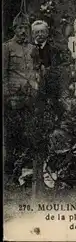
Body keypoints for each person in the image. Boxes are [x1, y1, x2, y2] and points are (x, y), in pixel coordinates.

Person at [3, 13, 38, 181]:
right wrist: (7, 95)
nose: (23, 31)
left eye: (25, 28)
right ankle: (10, 170)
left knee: (29, 132)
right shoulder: (7, 47)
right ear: (14, 29)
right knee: (12, 133)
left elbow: (35, 70)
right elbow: (2, 74)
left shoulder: (32, 48)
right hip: (13, 96)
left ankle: (27, 168)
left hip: (30, 95)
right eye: (20, 28)